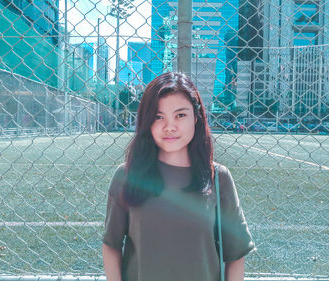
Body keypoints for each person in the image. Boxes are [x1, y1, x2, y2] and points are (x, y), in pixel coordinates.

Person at [102, 72, 254, 281]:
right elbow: (111, 245)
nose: (170, 126)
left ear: (196, 117)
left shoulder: (218, 178)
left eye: (180, 115)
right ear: (147, 121)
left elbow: (235, 255)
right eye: (158, 116)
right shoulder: (127, 176)